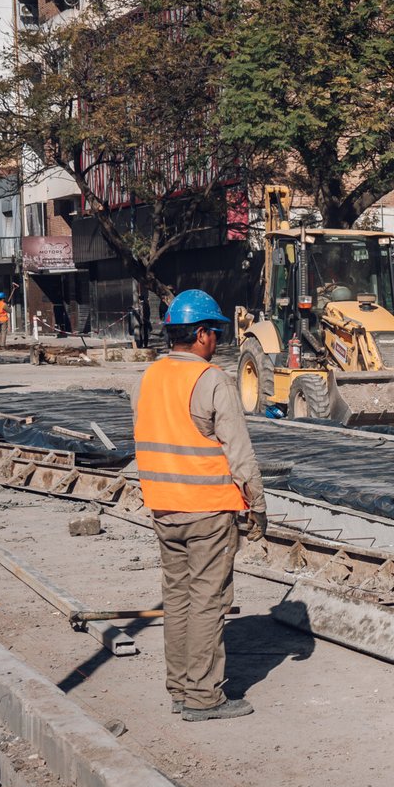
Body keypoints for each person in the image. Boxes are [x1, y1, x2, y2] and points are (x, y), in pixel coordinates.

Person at [133, 289, 266, 721]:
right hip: (208, 508)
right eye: (215, 333)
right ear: (203, 334)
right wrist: (257, 504)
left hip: (163, 507)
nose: (217, 341)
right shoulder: (212, 380)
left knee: (177, 598)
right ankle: (204, 697)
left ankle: (180, 688)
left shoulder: (149, 377)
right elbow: (239, 451)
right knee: (208, 601)